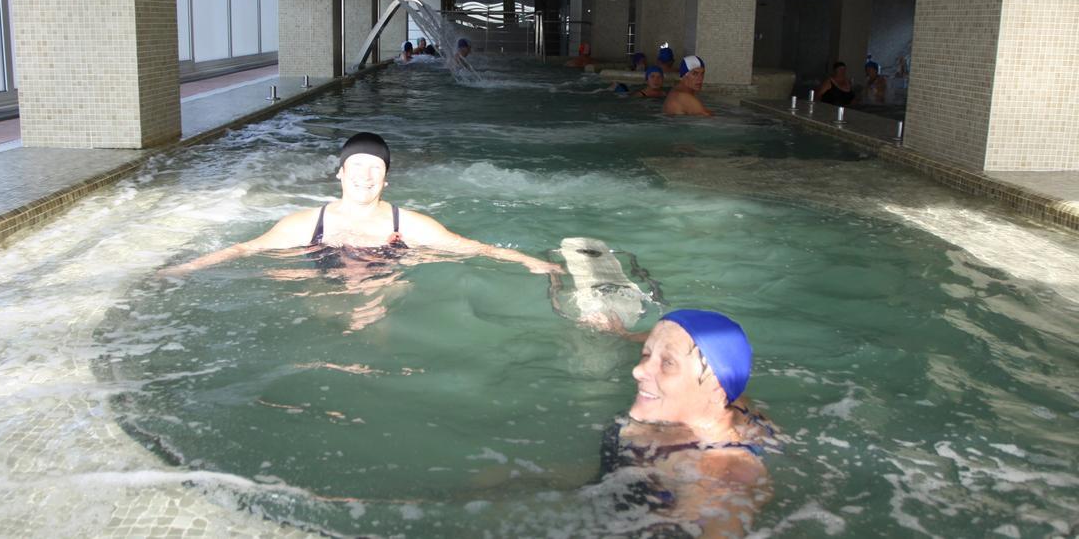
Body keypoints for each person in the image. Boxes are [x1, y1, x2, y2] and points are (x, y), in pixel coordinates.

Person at [162, 133, 559, 278]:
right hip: (321, 290)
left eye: (375, 169)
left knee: (370, 306)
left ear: (386, 179)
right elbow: (246, 249)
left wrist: (528, 261)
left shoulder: (410, 223)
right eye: (357, 166)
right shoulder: (306, 222)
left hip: (381, 291)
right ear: (339, 173)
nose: (365, 176)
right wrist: (188, 267)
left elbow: (470, 247)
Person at [599, 310, 777, 537]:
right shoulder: (729, 396)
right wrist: (622, 334)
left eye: (668, 363)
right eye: (646, 355)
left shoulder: (717, 476)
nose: (638, 370)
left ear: (717, 388)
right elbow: (678, 344)